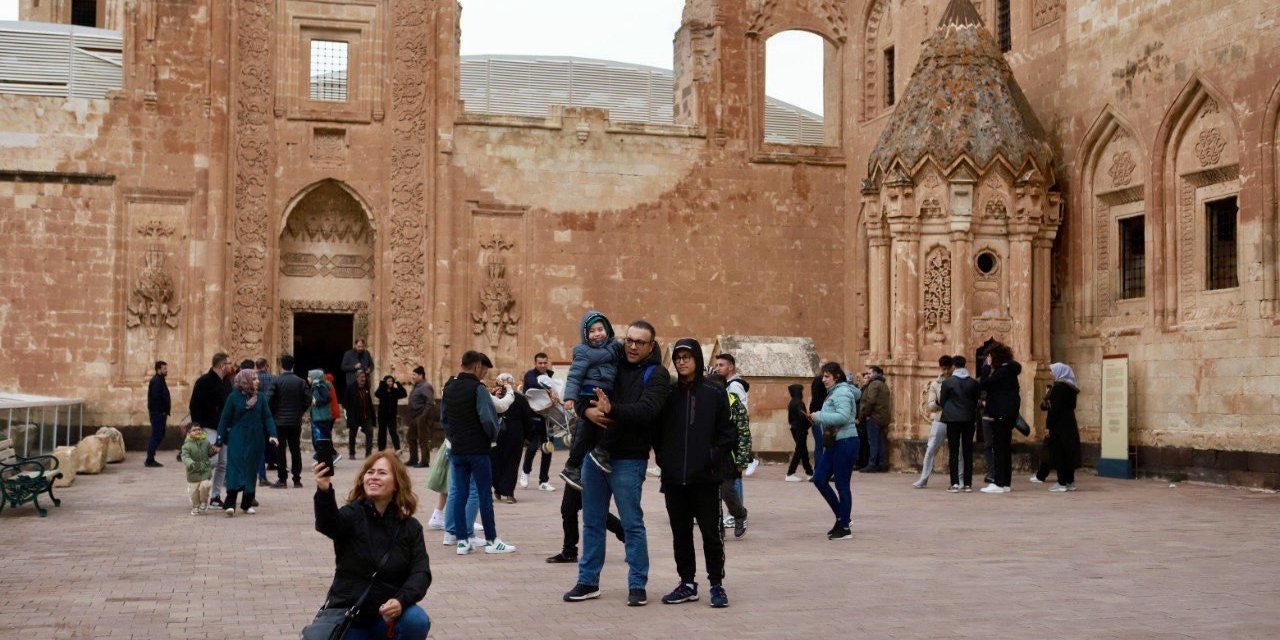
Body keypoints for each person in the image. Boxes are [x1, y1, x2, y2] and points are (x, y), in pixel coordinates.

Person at [563, 320, 670, 607]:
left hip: (629, 459)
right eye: (629, 340)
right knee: (592, 521)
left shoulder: (657, 374)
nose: (632, 346)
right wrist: (586, 412)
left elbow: (647, 410)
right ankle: (588, 581)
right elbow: (586, 390)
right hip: (594, 456)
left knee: (632, 523)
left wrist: (612, 409)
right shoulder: (611, 361)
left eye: (640, 342)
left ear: (651, 346)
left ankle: (637, 584)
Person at [311, 452, 431, 640]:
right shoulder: (352, 515)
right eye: (370, 472)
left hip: (386, 616)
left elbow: (421, 573)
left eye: (382, 473)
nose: (374, 477)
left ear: (396, 483)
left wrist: (401, 601)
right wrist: (324, 490)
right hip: (350, 614)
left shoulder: (410, 527)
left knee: (416, 620)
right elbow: (327, 524)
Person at [651, 339, 734, 608]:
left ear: (697, 359)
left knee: (711, 534)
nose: (681, 362)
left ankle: (716, 584)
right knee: (681, 533)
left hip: (705, 479)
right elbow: (657, 433)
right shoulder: (669, 394)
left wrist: (711, 457)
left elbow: (727, 433)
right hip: (675, 479)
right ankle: (687, 583)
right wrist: (665, 460)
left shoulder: (714, 392)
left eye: (687, 357)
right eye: (678, 358)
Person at [441, 350, 516, 555]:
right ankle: (492, 540)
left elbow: (444, 418)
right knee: (484, 494)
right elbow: (487, 419)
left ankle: (462, 541)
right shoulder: (478, 389)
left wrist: (453, 437)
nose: (484, 374)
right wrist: (492, 436)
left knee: (460, 493)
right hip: (477, 449)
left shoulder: (449, 386)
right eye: (483, 370)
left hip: (457, 449)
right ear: (477, 366)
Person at [559, 310, 622, 486]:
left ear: (608, 330)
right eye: (591, 331)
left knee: (607, 424)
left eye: (600, 329)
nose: (597, 334)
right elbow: (574, 376)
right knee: (586, 431)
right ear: (585, 335)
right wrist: (570, 397)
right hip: (589, 393)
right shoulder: (583, 351)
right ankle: (573, 466)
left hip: (605, 394)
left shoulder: (615, 348)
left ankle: (599, 454)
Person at [810, 361, 861, 540]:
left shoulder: (842, 392)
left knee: (842, 484)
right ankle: (842, 517)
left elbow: (844, 416)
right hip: (835, 442)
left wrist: (818, 416)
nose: (823, 380)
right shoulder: (835, 392)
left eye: (827, 376)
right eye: (823, 376)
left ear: (837, 377)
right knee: (819, 478)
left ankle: (845, 527)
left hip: (846, 441)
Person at [217, 369, 279, 515]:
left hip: (256, 437)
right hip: (237, 436)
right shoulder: (233, 397)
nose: (258, 381)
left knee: (251, 469)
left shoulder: (261, 397)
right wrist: (219, 440)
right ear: (245, 380)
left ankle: (247, 503)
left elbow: (267, 417)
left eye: (257, 378)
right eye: (254, 378)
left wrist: (273, 434)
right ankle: (230, 503)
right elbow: (224, 419)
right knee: (235, 467)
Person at [708, 373, 750, 539]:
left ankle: (739, 513)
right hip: (710, 455)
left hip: (729, 456)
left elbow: (744, 434)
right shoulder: (705, 404)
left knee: (726, 490)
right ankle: (719, 529)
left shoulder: (734, 404)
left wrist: (742, 460)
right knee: (712, 494)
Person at [979, 342, 1021, 494]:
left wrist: (986, 368)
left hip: (1001, 415)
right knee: (1005, 448)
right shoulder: (1010, 370)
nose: (988, 360)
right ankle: (1005, 483)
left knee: (999, 448)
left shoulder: (1003, 371)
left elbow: (984, 384)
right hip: (1008, 414)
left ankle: (998, 483)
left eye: (989, 357)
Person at [190, 352, 232, 507]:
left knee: (223, 463)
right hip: (209, 428)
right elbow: (194, 405)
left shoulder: (227, 382)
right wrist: (197, 426)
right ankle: (200, 493)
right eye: (228, 363)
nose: (230, 366)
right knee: (211, 461)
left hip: (224, 429)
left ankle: (216, 496)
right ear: (221, 365)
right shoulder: (204, 382)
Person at [1033, 363, 1081, 492]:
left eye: (1053, 371)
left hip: (1059, 425)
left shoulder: (1058, 387)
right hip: (1070, 423)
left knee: (1059, 452)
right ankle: (1070, 481)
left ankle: (1061, 482)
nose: (1051, 373)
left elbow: (1054, 410)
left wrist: (1048, 426)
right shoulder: (1071, 387)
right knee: (1068, 452)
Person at [940, 355, 981, 493]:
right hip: (968, 419)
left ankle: (955, 483)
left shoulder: (948, 383)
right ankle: (968, 484)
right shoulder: (973, 383)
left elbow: (943, 402)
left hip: (952, 419)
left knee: (954, 451)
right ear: (965, 365)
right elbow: (976, 401)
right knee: (968, 451)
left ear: (953, 366)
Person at [914, 355, 955, 489]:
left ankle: (959, 480)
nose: (946, 372)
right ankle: (923, 478)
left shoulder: (957, 382)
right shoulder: (936, 384)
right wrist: (940, 402)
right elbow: (930, 405)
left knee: (958, 451)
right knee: (931, 449)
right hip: (940, 419)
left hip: (955, 420)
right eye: (943, 369)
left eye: (948, 368)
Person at [714, 353, 756, 478]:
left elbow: (741, 410)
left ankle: (751, 461)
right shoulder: (728, 383)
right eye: (716, 365)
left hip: (734, 433)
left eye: (721, 365)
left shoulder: (734, 385)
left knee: (734, 477)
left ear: (731, 367)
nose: (717, 368)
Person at [491, 375, 531, 504]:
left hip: (498, 433)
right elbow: (527, 418)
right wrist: (528, 436)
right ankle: (508, 493)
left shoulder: (493, 397)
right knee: (511, 463)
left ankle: (499, 489)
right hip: (514, 433)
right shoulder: (518, 398)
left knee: (496, 462)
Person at [520, 353, 555, 490]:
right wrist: (550, 389)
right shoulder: (530, 375)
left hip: (548, 417)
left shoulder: (550, 375)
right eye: (540, 363)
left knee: (548, 448)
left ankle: (543, 481)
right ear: (535, 363)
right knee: (533, 446)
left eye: (545, 363)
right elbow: (533, 385)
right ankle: (525, 472)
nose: (542, 365)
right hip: (533, 417)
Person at [857, 366, 893, 473]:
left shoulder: (874, 384)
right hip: (882, 417)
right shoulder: (884, 385)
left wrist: (866, 414)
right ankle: (882, 464)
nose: (868, 375)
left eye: (870, 373)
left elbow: (870, 401)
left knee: (873, 442)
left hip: (874, 417)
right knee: (881, 442)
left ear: (876, 373)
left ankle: (872, 464)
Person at [406, 366, 437, 468]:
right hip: (414, 417)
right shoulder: (416, 386)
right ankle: (413, 459)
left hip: (421, 416)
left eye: (414, 375)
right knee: (410, 437)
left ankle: (424, 461)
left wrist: (424, 416)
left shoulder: (426, 386)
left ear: (421, 375)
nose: (412, 377)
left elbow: (429, 402)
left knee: (423, 439)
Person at [180, 424, 214, 515]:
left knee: (206, 485)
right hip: (193, 472)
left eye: (199, 429)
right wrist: (191, 463)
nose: (198, 431)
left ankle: (204, 502)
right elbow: (185, 457)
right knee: (194, 492)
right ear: (188, 433)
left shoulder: (205, 442)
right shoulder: (186, 446)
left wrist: (214, 450)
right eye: (194, 430)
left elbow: (210, 453)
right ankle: (196, 506)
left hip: (205, 470)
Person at [344, 370, 377, 460]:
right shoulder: (350, 388)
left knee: (369, 432)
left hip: (366, 416)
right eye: (361, 377)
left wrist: (372, 414)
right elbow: (345, 401)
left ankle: (368, 453)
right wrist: (349, 412)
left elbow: (369, 402)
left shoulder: (366, 388)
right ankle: (352, 453)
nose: (363, 379)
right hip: (354, 416)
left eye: (364, 377)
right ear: (357, 378)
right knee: (352, 434)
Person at [785, 384, 813, 481]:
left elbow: (791, 419)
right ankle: (790, 473)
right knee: (799, 451)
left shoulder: (792, 402)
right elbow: (802, 417)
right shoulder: (799, 403)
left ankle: (809, 473)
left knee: (803, 451)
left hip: (796, 429)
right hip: (800, 430)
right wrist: (810, 422)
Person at [146, 360, 170, 468]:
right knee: (156, 436)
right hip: (158, 414)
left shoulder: (160, 380)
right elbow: (156, 398)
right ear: (159, 369)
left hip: (160, 413)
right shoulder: (156, 381)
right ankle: (150, 459)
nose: (166, 370)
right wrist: (161, 412)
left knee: (159, 435)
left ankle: (150, 458)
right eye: (164, 368)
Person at [309, 369, 337, 462]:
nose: (308, 378)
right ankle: (324, 458)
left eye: (309, 376)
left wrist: (316, 402)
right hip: (318, 416)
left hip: (321, 417)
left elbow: (327, 398)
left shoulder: (320, 386)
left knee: (322, 439)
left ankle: (329, 457)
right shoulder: (316, 386)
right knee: (320, 439)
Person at [375, 374, 408, 453]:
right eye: (389, 381)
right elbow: (377, 394)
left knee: (393, 432)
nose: (390, 383)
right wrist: (381, 383)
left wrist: (397, 382)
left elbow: (404, 394)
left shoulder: (395, 391)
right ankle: (381, 449)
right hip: (382, 415)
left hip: (392, 416)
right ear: (385, 382)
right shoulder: (382, 391)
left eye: (392, 381)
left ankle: (397, 449)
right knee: (382, 433)